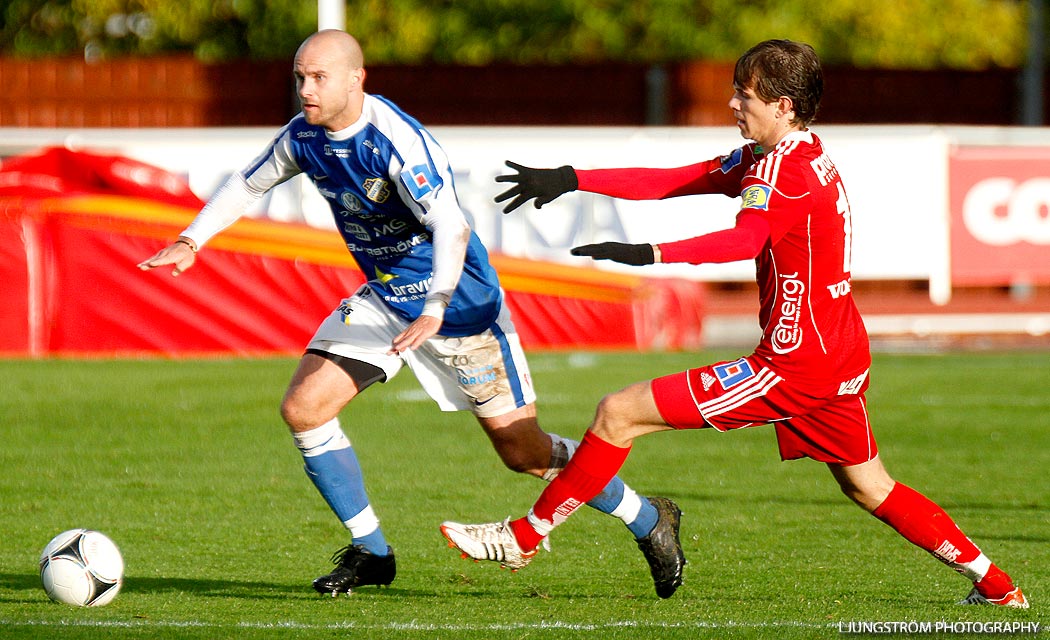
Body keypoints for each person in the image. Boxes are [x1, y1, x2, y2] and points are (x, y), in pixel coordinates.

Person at [440, 39, 1028, 608]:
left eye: (744, 95)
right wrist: (570, 177)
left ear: (783, 105)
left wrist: (653, 255)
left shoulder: (783, 172)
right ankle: (997, 583)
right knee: (869, 486)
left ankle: (525, 536)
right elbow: (675, 179)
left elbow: (744, 238)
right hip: (838, 348)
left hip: (794, 363)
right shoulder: (793, 155)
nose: (732, 105)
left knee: (618, 412)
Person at [137, 29, 684, 598]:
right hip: (385, 298)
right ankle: (372, 553)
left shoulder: (396, 143)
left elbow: (452, 226)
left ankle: (650, 520)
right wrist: (191, 239)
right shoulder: (304, 136)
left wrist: (436, 306)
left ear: (357, 78)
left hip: (460, 306)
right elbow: (246, 184)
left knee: (522, 451)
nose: (305, 89)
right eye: (300, 76)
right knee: (304, 409)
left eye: (318, 77)